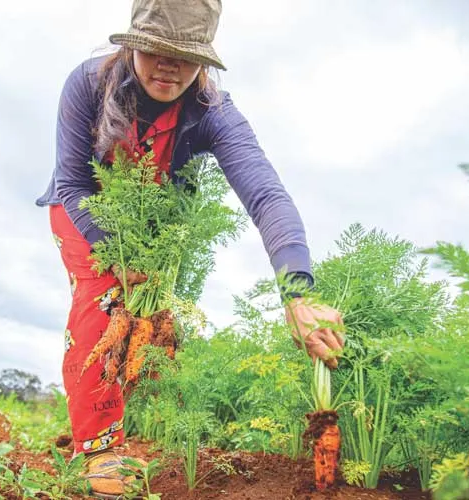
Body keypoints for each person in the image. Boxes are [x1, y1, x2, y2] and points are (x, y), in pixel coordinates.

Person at [36, 0, 345, 497]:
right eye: (157, 49)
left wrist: (298, 292)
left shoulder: (213, 112)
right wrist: (118, 255)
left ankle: (102, 425)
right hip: (84, 212)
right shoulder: (88, 83)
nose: (169, 66)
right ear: (135, 42)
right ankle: (94, 450)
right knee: (105, 300)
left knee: (144, 328)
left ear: (203, 59)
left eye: (186, 55)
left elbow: (266, 194)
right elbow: (73, 183)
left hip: (153, 225)